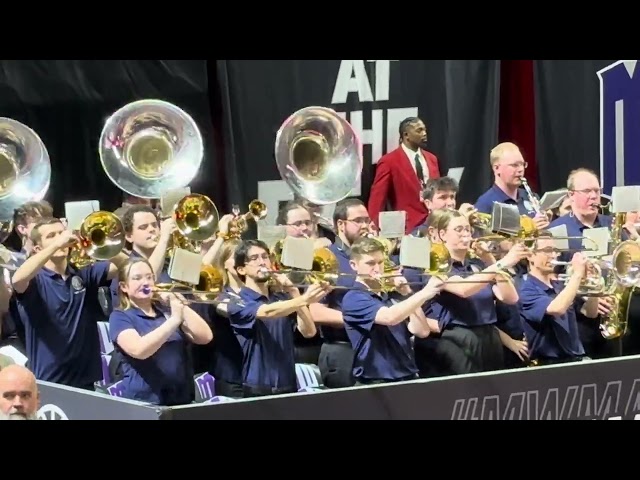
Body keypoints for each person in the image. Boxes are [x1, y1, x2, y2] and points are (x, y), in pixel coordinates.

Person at [11, 217, 129, 390]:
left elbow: (127, 264)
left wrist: (91, 243)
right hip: (50, 380)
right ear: (37, 248)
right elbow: (17, 279)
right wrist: (56, 245)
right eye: (51, 235)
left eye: (61, 232)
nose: (61, 238)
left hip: (86, 378)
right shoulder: (35, 279)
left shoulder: (83, 273)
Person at [229, 239, 329, 397]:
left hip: (288, 383)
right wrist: (303, 299)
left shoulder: (283, 297)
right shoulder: (237, 301)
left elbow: (309, 332)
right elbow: (266, 312)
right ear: (241, 270)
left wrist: (294, 291)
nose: (262, 262)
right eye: (254, 259)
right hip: (258, 386)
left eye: (265, 257)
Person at [108, 258, 213, 405]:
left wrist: (178, 304)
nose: (145, 283)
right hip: (145, 401)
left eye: (149, 277)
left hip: (181, 398)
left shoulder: (165, 310)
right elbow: (139, 350)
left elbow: (205, 337)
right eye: (137, 278)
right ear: (124, 286)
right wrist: (174, 320)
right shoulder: (120, 316)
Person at [341, 237, 443, 385]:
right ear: (353, 265)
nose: (377, 269)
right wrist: (426, 292)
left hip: (407, 375)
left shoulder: (390, 296)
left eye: (380, 262)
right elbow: (389, 318)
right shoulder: (354, 297)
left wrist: (408, 293)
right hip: (376, 380)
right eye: (370, 263)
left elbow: (421, 331)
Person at [519, 235, 599, 365]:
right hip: (549, 364)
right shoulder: (525, 289)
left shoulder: (560, 285)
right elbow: (557, 308)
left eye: (555, 250)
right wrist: (577, 274)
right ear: (530, 256)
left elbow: (590, 313)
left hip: (576, 358)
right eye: (547, 250)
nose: (553, 255)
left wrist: (594, 287)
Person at [368, 117, 441, 234]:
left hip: (435, 224)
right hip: (407, 227)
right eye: (419, 130)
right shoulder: (389, 161)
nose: (424, 134)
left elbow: (439, 192)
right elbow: (378, 197)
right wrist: (373, 225)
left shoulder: (432, 159)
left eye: (425, 130)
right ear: (406, 135)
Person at [474, 142, 549, 230]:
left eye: (523, 164)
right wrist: (530, 228)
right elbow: (485, 241)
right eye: (514, 165)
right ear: (496, 168)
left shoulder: (531, 197)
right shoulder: (486, 204)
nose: (521, 169)